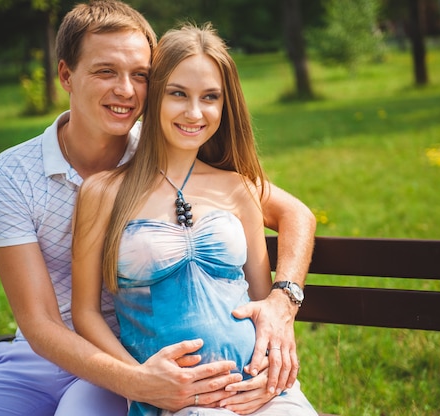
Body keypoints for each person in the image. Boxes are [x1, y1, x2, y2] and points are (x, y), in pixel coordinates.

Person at [0, 1, 315, 416]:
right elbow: (42, 322)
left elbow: (294, 213)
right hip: (45, 360)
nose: (126, 90)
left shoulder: (172, 147)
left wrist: (283, 303)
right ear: (66, 74)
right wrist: (143, 384)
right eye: (106, 71)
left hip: (147, 348)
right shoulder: (9, 176)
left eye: (140, 75)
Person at [71, 23, 317, 416]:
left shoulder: (238, 188)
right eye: (178, 94)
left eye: (210, 97)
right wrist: (140, 381)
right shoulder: (104, 192)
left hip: (256, 388)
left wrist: (269, 374)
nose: (194, 112)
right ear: (154, 97)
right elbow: (85, 313)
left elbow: (260, 303)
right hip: (174, 400)